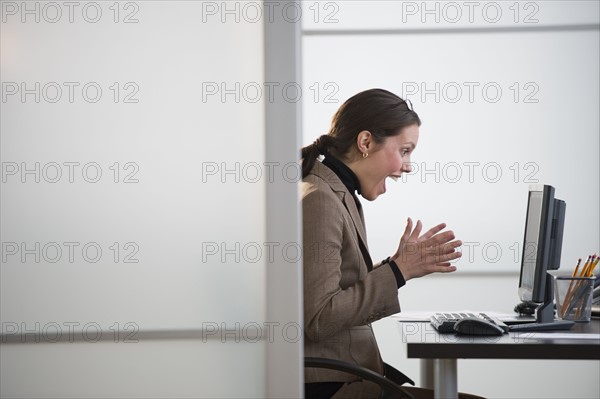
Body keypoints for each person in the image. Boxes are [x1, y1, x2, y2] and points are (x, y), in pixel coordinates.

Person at [301, 89, 476, 399]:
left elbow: (336, 289)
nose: (408, 165)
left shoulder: (334, 190)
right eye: (405, 150)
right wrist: (397, 271)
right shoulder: (321, 200)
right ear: (366, 142)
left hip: (347, 377)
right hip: (333, 387)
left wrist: (396, 266)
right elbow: (319, 318)